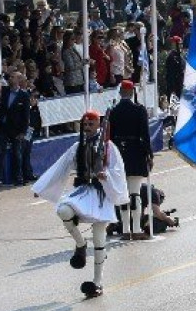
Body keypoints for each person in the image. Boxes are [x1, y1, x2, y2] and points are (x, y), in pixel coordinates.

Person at [33, 110, 128, 298]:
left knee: (99, 239)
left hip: (101, 194)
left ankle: (97, 282)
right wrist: (42, 187)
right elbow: (60, 167)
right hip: (83, 191)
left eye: (91, 124)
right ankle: (81, 243)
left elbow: (118, 170)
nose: (87, 127)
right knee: (63, 210)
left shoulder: (108, 147)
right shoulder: (78, 146)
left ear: (99, 124)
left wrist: (106, 176)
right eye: (85, 125)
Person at [107, 79, 153, 235]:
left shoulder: (113, 111)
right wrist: (149, 154)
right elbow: (145, 135)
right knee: (135, 193)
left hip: (119, 154)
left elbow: (109, 137)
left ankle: (126, 229)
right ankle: (137, 228)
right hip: (136, 153)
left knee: (123, 195)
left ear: (120, 92)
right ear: (133, 92)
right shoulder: (139, 110)